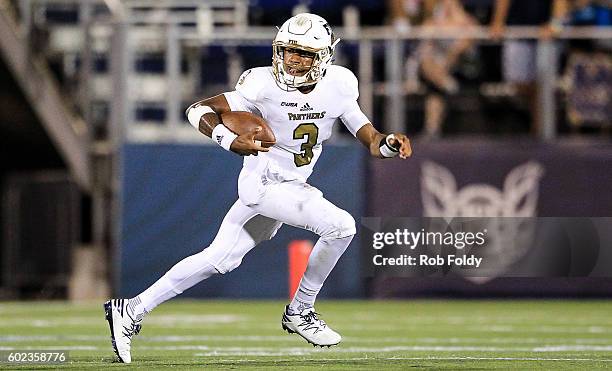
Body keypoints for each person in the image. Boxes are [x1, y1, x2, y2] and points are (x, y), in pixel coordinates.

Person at [103, 13, 412, 364]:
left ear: (324, 57)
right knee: (341, 226)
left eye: (303, 54)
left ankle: (130, 309)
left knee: (219, 260)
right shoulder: (260, 84)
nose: (292, 60)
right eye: (287, 51)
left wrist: (387, 143)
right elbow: (198, 109)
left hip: (291, 185)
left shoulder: (340, 84)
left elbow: (367, 136)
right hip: (263, 184)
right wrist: (228, 139)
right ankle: (301, 310)